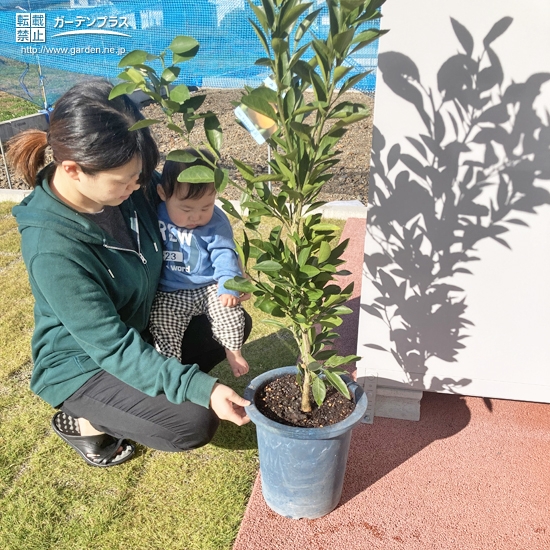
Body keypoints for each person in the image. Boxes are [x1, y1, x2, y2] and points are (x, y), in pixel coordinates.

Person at [8, 79, 251, 468]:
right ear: (73, 169)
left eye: (142, 175)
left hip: (142, 326)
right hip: (87, 362)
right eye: (126, 181)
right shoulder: (52, 247)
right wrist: (199, 388)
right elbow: (112, 346)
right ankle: (85, 419)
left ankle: (146, 394)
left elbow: (193, 207)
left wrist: (227, 273)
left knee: (228, 323)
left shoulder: (135, 186)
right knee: (191, 422)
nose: (139, 186)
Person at [149, 152, 250, 378]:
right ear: (163, 193)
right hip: (171, 290)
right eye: (186, 209)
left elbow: (224, 253)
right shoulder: (157, 213)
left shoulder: (216, 221)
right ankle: (171, 367)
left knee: (229, 311)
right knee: (163, 324)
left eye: (206, 207)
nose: (196, 216)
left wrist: (228, 283)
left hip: (209, 286)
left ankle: (233, 351)